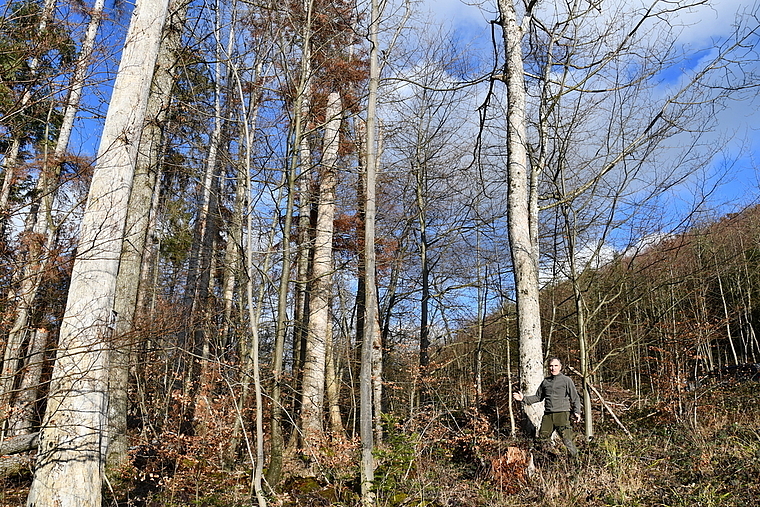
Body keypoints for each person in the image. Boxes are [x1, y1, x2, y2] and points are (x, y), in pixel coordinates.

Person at [512, 357, 581, 457]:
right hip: (548, 416)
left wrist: (577, 411)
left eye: (556, 366)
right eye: (551, 366)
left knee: (567, 440)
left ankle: (576, 462)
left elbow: (575, 397)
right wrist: (523, 398)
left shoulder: (566, 381)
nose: (553, 368)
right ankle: (548, 462)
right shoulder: (546, 382)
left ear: (560, 367)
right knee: (542, 440)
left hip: (562, 414)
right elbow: (538, 397)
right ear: (548, 367)